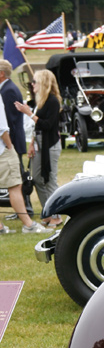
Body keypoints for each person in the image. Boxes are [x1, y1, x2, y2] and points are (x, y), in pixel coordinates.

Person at [14, 69, 62, 228]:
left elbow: (47, 125)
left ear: (44, 83)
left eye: (35, 81)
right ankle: (47, 212)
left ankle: (56, 215)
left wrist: (29, 113)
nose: (32, 84)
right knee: (36, 179)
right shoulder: (41, 100)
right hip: (40, 143)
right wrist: (32, 143)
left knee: (49, 179)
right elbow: (38, 126)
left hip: (50, 144)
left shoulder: (53, 101)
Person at [0, 97, 45, 234]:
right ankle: (28, 224)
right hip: (2, 149)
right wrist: (9, 146)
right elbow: (2, 128)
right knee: (15, 185)